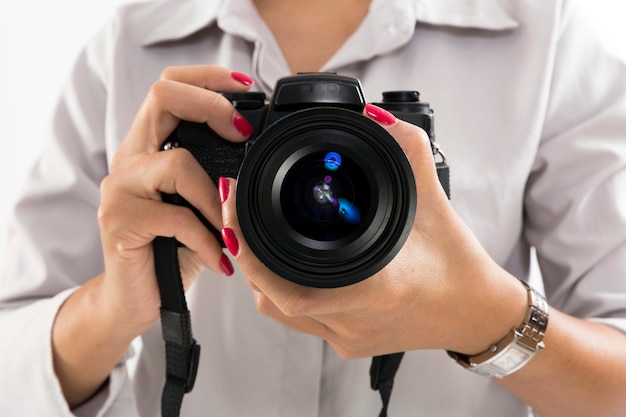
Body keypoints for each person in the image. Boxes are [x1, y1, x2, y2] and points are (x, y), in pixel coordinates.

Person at [1, 0, 625, 416]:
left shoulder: (545, 33)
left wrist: (482, 317)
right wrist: (116, 305)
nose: (321, 198)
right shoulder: (130, 44)